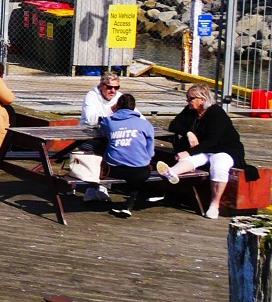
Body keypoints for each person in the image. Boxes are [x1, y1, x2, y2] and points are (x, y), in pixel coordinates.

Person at [158, 85, 246, 220]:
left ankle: (214, 204)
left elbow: (212, 140)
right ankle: (172, 172)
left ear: (202, 99)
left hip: (224, 149)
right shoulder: (191, 110)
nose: (188, 102)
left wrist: (189, 151)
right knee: (188, 161)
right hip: (204, 149)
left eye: (191, 99)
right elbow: (174, 124)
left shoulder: (216, 113)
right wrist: (188, 133)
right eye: (187, 99)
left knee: (219, 167)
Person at [98, 94, 156, 218]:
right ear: (134, 108)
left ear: (117, 106)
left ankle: (95, 191)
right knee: (140, 168)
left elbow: (101, 126)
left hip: (114, 169)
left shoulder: (109, 121)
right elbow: (150, 153)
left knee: (98, 147)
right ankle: (129, 204)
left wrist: (112, 111)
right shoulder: (145, 124)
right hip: (140, 171)